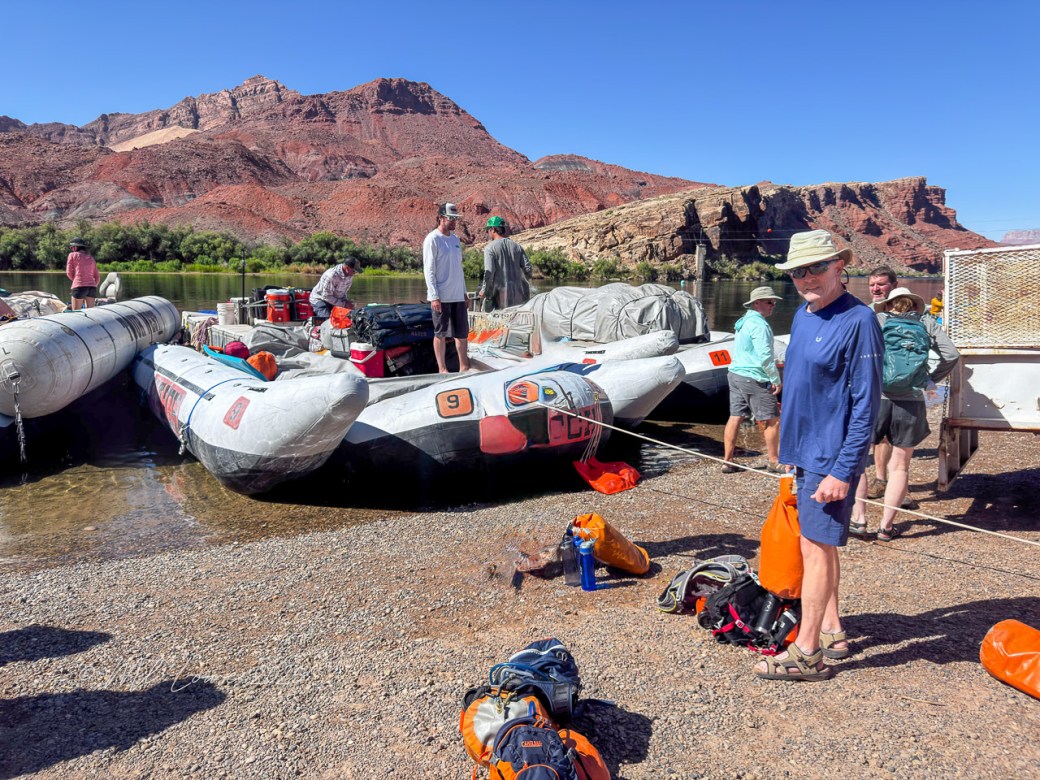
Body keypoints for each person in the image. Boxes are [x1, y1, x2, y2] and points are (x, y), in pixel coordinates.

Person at [753, 229, 882, 682]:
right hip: (804, 455)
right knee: (815, 545)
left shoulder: (859, 320)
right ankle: (831, 628)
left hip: (831, 459)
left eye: (817, 267)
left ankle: (807, 652)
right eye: (798, 271)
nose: (807, 277)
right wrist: (790, 452)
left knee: (817, 547)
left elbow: (866, 406)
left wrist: (844, 471)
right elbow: (805, 387)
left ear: (839, 266)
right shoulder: (806, 315)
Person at [850, 287, 960, 540]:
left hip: (875, 398)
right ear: (914, 306)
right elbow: (952, 354)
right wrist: (929, 379)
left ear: (888, 305)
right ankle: (886, 527)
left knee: (857, 458)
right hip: (910, 400)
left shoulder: (877, 319)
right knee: (899, 467)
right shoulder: (926, 321)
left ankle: (859, 519)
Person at [721, 286, 784, 474]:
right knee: (772, 419)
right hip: (752, 376)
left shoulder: (743, 321)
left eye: (774, 302)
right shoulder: (759, 324)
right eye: (769, 302)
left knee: (735, 416)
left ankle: (728, 461)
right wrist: (776, 379)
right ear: (757, 303)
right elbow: (765, 356)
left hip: (735, 374)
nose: (773, 305)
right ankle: (774, 461)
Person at [423, 203, 471, 373]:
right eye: (451, 218)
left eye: (455, 219)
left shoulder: (455, 239)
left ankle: (464, 367)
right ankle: (442, 369)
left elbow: (459, 268)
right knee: (441, 333)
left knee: (462, 334)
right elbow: (429, 270)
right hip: (441, 297)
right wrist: (434, 296)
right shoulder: (432, 239)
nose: (454, 222)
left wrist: (464, 292)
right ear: (441, 218)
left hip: (457, 295)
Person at [479, 216, 533, 310]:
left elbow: (489, 272)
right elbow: (528, 269)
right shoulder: (517, 247)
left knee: (498, 324)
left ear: (493, 229)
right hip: (519, 298)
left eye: (487, 230)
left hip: (499, 299)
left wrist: (484, 290)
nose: (487, 233)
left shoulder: (489, 248)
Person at [309, 256, 361, 324]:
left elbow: (343, 294)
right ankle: (311, 326)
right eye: (354, 271)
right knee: (328, 322)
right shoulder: (331, 275)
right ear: (347, 268)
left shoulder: (349, 276)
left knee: (351, 318)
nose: (354, 273)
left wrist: (348, 303)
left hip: (334, 300)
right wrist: (344, 304)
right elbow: (326, 296)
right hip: (320, 299)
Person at [66, 238, 100, 310]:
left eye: (71, 247)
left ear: (75, 247)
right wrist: (91, 285)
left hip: (79, 286)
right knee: (90, 313)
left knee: (76, 313)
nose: (71, 249)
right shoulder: (91, 258)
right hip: (92, 288)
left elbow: (68, 273)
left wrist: (77, 281)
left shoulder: (72, 255)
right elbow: (97, 278)